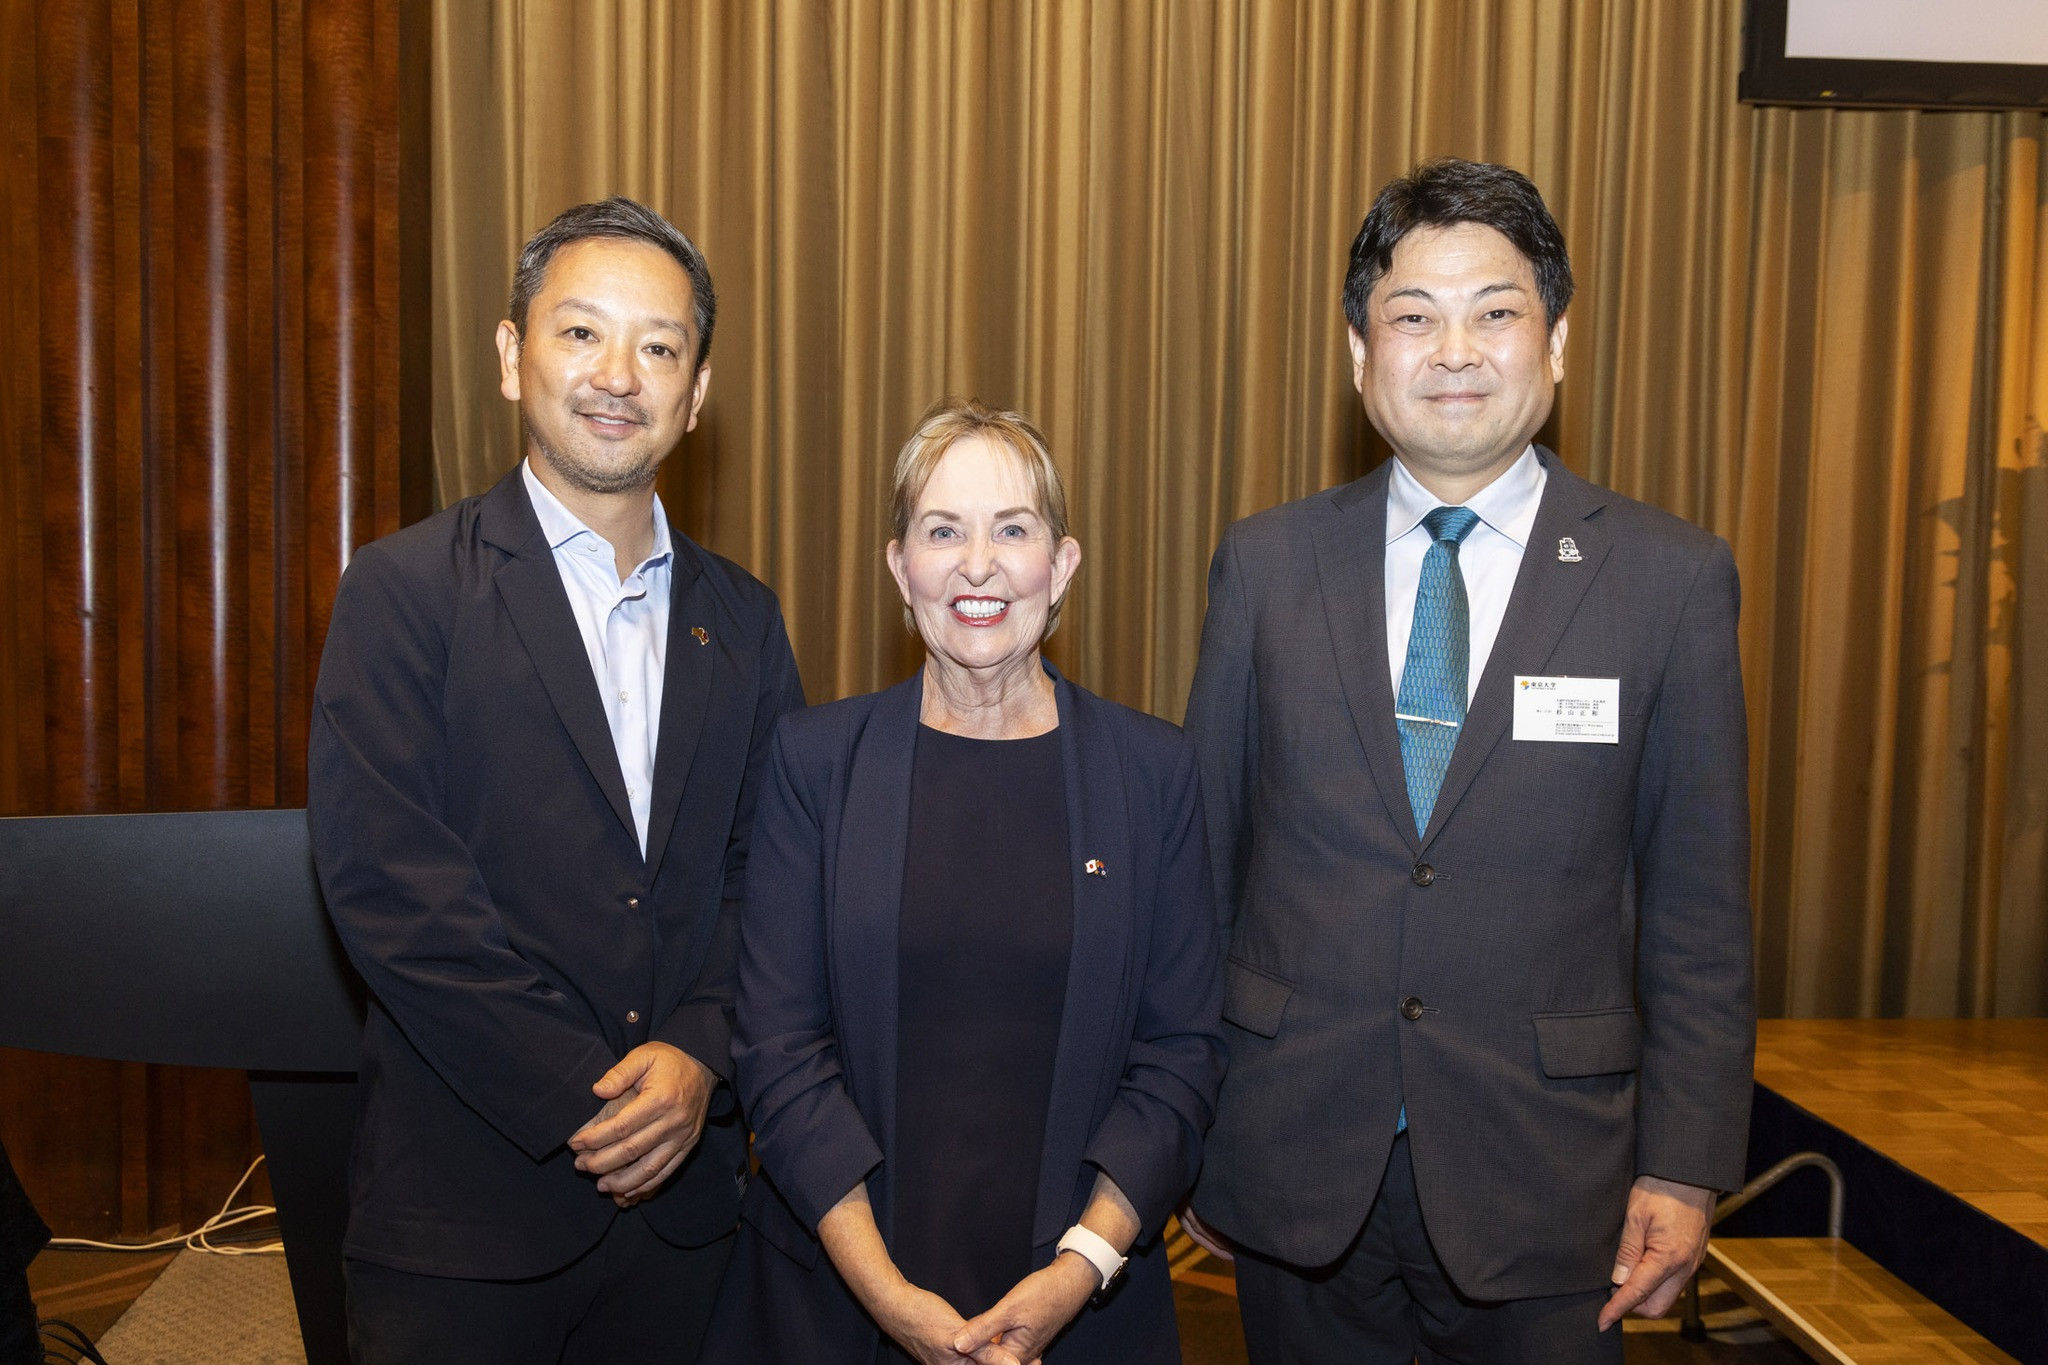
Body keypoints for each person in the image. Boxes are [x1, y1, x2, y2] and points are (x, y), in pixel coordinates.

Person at [1182, 158, 1755, 1363]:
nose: (1453, 351)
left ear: (1554, 341)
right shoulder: (1266, 567)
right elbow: (1204, 872)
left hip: (1550, 1181)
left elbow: (1698, 912)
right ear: (1356, 353)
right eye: (1411, 316)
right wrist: (1192, 1127)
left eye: (1493, 312)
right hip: (1293, 1159)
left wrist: (1685, 1166)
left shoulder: (1667, 582)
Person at [308, 196, 805, 1364]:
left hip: (688, 1223)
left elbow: (772, 871)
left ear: (697, 392)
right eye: (580, 332)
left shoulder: (744, 621)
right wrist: (592, 1105)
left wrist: (699, 1052)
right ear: (509, 355)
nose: (616, 374)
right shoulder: (403, 592)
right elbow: (392, 892)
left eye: (659, 345)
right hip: (464, 1214)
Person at [703, 401, 1224, 1365]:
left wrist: (1080, 1267)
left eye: (1012, 530)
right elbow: (777, 1049)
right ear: (902, 567)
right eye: (943, 531)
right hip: (837, 1302)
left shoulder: (1154, 773)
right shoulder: (815, 761)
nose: (977, 564)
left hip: (1083, 1308)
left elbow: (1181, 1053)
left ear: (1061, 566)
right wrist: (890, 1297)